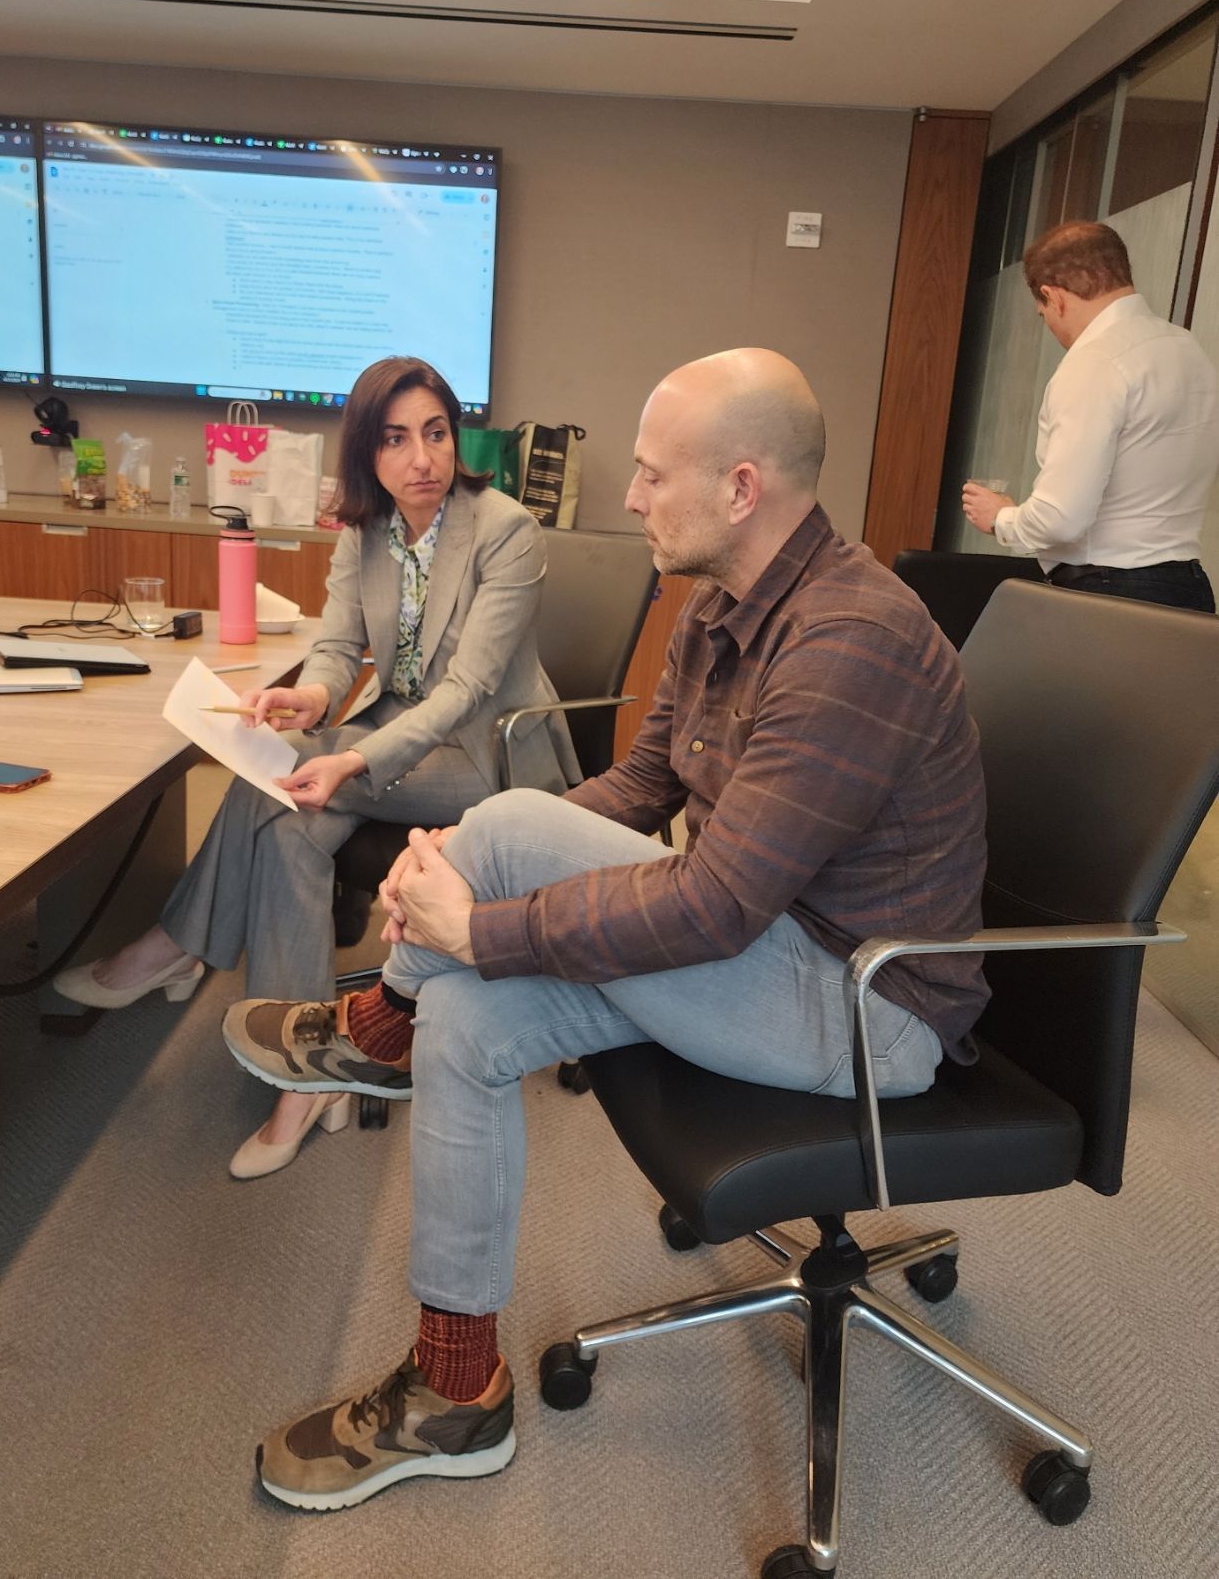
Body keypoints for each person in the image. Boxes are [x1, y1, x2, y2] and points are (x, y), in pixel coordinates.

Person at [221, 346, 991, 1511]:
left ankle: (379, 1015)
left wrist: (478, 920)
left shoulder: (849, 639)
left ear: (739, 487)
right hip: (756, 948)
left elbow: (715, 902)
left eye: (648, 472)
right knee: (470, 1014)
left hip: (860, 1005)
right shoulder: (718, 606)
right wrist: (459, 875)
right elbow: (639, 785)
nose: (626, 495)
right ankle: (455, 1385)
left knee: (498, 859)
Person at [56, 354, 578, 1179]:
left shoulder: (506, 529)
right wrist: (315, 698)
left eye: (436, 434)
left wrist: (352, 756)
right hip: (390, 733)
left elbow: (469, 687)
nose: (422, 459)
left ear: (455, 438)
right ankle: (311, 1070)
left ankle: (176, 944)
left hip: (485, 752)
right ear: (367, 453)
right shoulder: (365, 530)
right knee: (288, 813)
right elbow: (336, 646)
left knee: (284, 776)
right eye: (398, 439)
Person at [961, 219, 1219, 613]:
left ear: (1054, 296)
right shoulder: (1189, 350)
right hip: (1187, 589)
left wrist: (1002, 518)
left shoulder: (1094, 362)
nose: (1048, 323)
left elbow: (1061, 518)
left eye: (1041, 311)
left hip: (1109, 592)